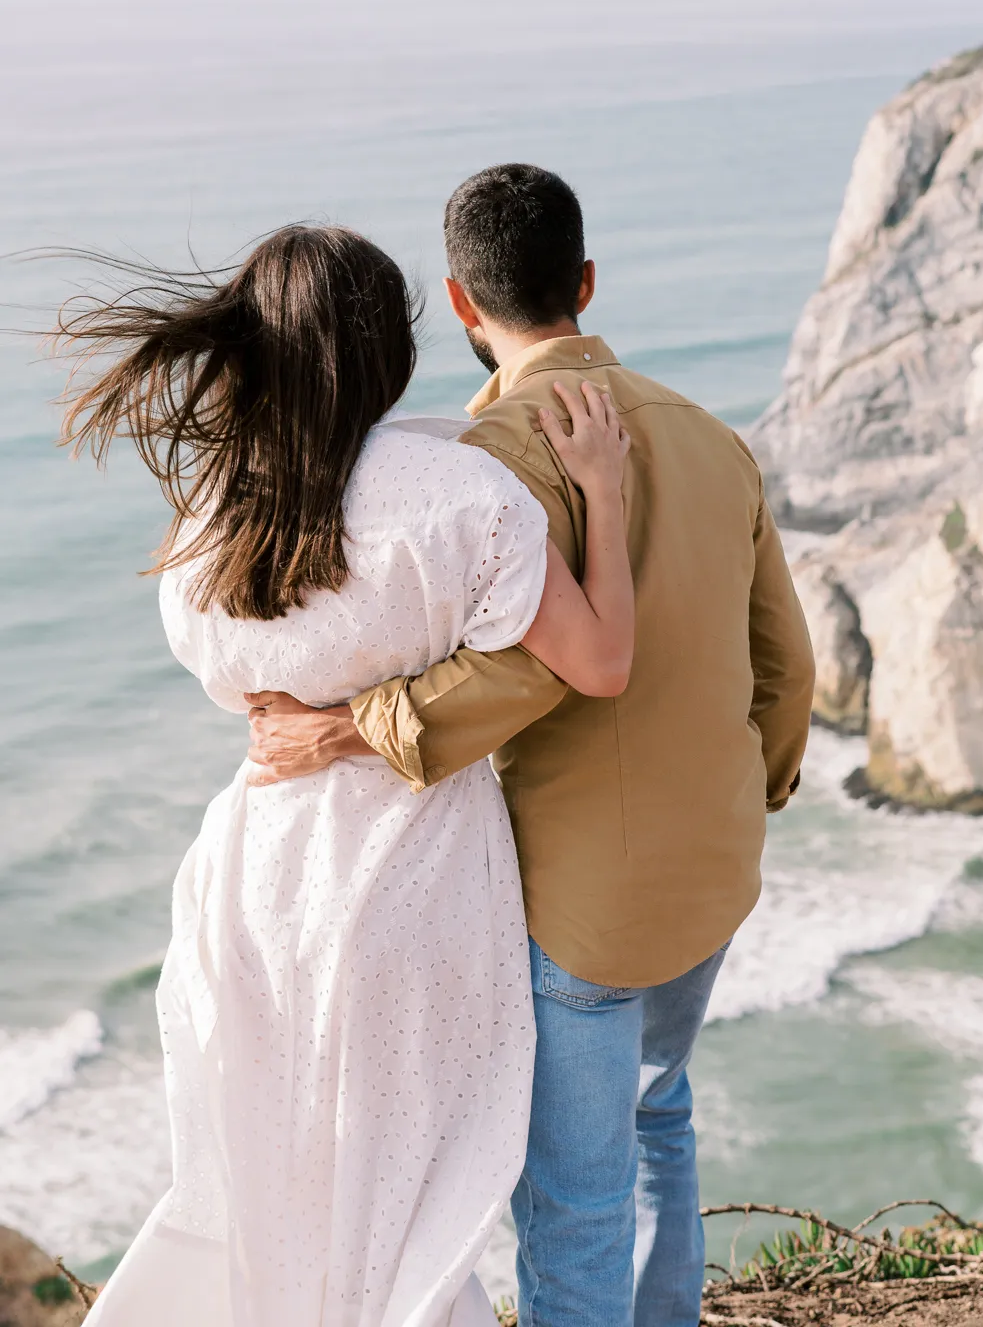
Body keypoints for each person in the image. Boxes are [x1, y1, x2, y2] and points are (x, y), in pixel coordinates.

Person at [248, 167, 817, 1327]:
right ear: (588, 283)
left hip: (583, 908)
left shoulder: (484, 465)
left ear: (460, 301)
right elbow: (787, 668)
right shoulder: (713, 438)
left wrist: (353, 723)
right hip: (714, 871)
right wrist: (748, 799)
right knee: (660, 1112)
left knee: (573, 1203)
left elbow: (524, 667)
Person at [55, 224, 636, 1327]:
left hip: (257, 877)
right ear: (388, 350)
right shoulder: (465, 496)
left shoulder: (211, 517)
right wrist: (600, 490)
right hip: (411, 877)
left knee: (277, 1189)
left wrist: (322, 710)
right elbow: (600, 662)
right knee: (405, 1208)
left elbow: (236, 685)